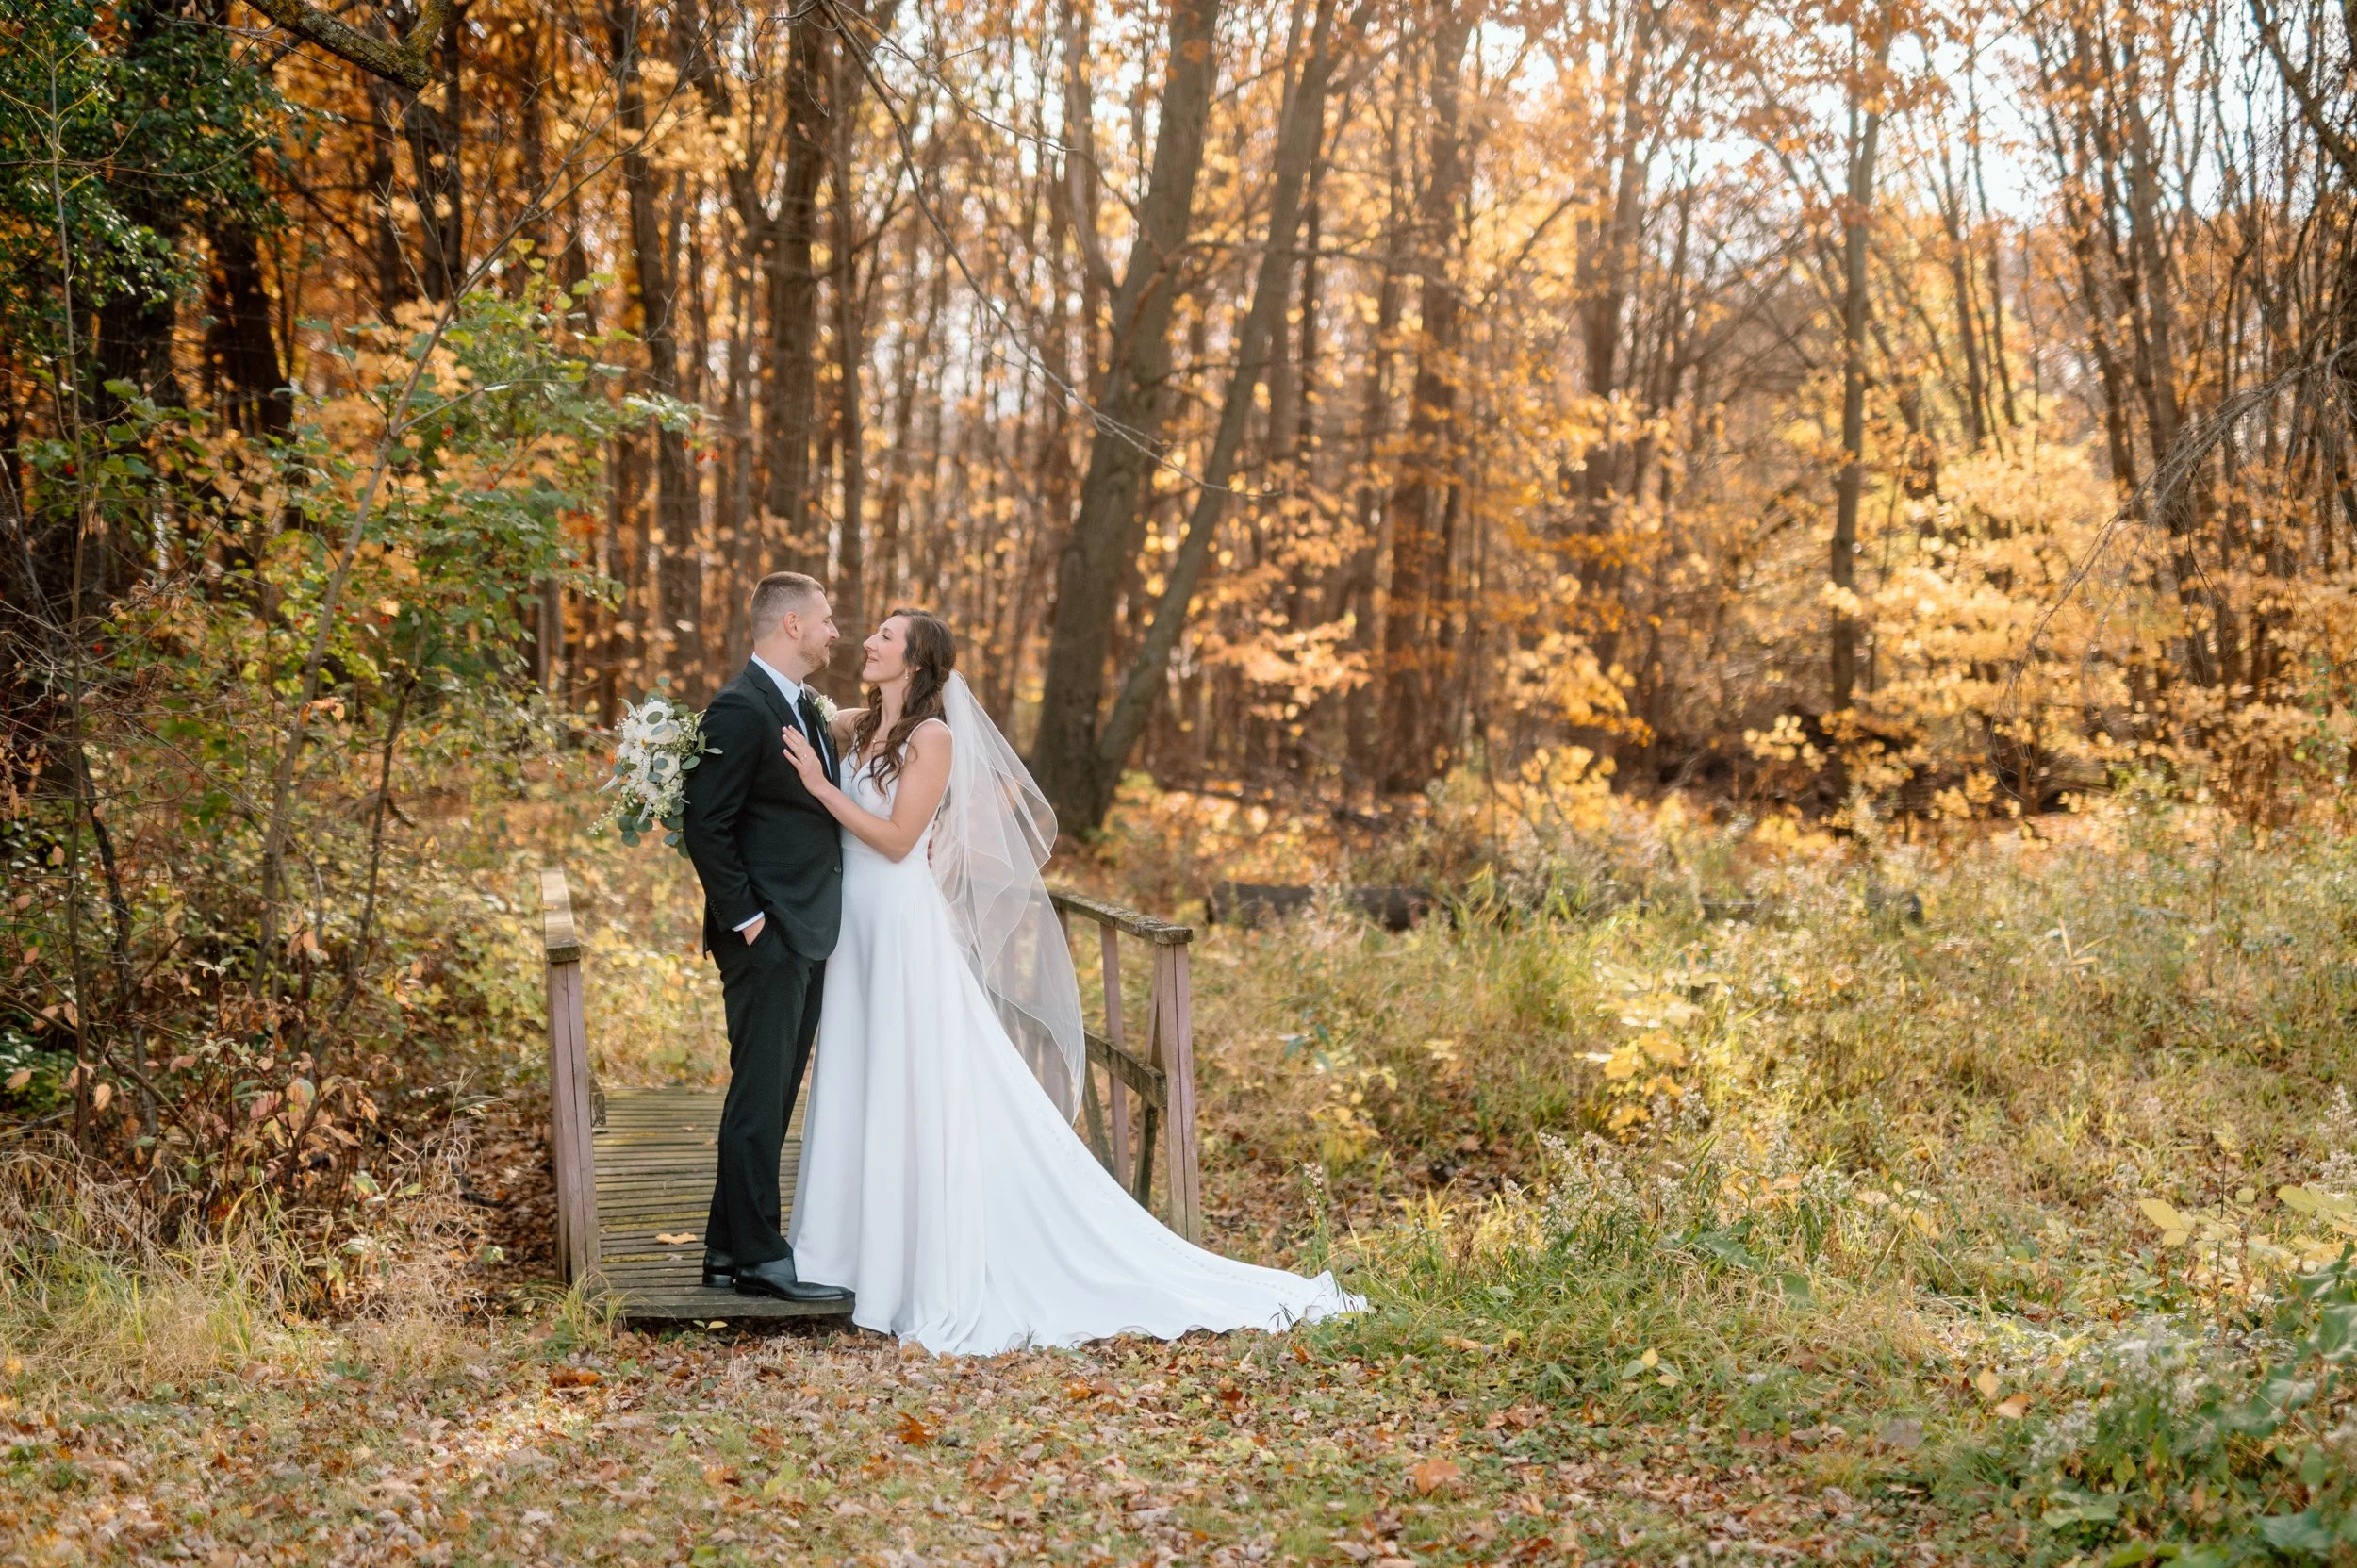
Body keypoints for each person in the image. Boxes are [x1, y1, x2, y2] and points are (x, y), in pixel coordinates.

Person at [776, 607, 1361, 1354]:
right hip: (851, 928)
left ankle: (913, 1264)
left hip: (897, 925)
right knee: (860, 1075)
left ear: (917, 661)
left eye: (886, 637)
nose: (869, 641)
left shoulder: (935, 738)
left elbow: (896, 841)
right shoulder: (857, 726)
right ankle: (846, 1255)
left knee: (908, 1080)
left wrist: (822, 791)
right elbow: (799, 706)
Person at [678, 573, 857, 1307]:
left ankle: (726, 1248)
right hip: (769, 935)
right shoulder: (739, 707)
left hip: (804, 928)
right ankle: (760, 1255)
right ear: (789, 624)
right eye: (824, 619)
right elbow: (705, 824)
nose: (834, 631)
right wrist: (750, 920)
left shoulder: (801, 706)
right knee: (759, 1094)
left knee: (772, 1091)